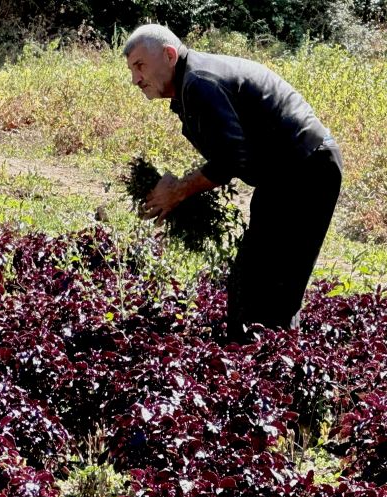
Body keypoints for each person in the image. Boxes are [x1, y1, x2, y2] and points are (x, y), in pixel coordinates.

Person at [123, 24, 343, 343]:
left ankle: (276, 372)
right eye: (132, 69)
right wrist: (177, 186)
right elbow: (229, 151)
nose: (135, 79)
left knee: (276, 284)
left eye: (140, 65)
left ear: (169, 55)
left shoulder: (199, 82)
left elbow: (230, 159)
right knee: (252, 279)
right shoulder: (191, 81)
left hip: (306, 171)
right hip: (283, 176)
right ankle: (248, 360)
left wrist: (179, 191)